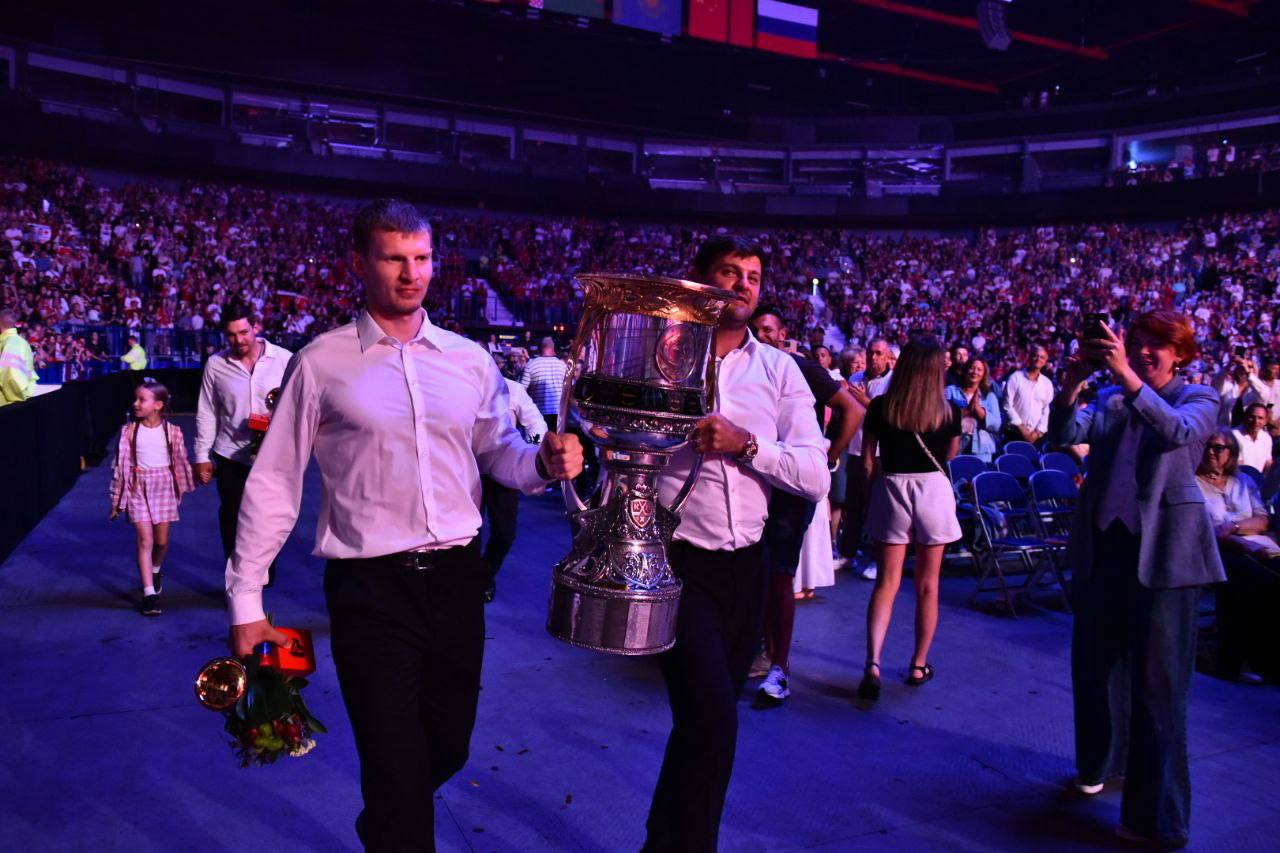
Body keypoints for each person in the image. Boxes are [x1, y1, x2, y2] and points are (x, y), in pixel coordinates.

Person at [224, 200, 584, 850]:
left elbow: (499, 452)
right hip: (369, 589)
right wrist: (248, 598)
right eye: (394, 257)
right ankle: (393, 819)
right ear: (359, 263)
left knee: (446, 746)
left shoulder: (470, 360)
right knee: (396, 771)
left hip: (455, 581)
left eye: (420, 258)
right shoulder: (322, 362)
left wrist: (543, 464)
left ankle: (387, 817)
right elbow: (276, 479)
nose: (410, 272)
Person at [645, 236, 828, 851]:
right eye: (731, 272)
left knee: (700, 725)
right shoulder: (660, 356)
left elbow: (815, 473)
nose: (745, 284)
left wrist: (747, 444)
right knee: (715, 722)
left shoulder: (780, 369)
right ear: (700, 278)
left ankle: (659, 842)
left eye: (753, 275)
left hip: (747, 566)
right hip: (675, 563)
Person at [1049, 309, 1224, 847]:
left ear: (1181, 355)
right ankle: (1098, 765)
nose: (1145, 351)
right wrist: (1075, 380)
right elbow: (1062, 434)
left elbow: (1176, 434)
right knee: (1094, 669)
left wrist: (1125, 374)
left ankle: (1159, 819)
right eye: (1138, 342)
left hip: (1166, 558)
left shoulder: (1200, 397)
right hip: (1107, 547)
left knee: (1159, 688)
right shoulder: (1110, 399)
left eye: (1157, 346)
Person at [748, 306, 861, 707]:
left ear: (782, 334)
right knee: (751, 569)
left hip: (790, 486)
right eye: (755, 329)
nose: (761, 335)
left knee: (778, 573)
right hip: (752, 478)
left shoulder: (802, 368)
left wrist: (830, 455)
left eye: (768, 329)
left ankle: (779, 666)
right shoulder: (741, 370)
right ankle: (758, 650)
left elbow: (853, 409)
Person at [857, 337, 962, 702]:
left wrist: (875, 496)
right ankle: (918, 665)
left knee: (886, 583)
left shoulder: (882, 406)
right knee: (928, 586)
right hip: (932, 490)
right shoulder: (948, 412)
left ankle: (873, 664)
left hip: (892, 487)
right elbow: (950, 454)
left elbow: (868, 459)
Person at [192, 305, 293, 585]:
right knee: (233, 519)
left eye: (244, 332)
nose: (239, 340)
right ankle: (238, 579)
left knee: (269, 520)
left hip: (273, 456)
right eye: (231, 335)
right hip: (230, 455)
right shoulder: (216, 365)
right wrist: (201, 455)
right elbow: (207, 411)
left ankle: (263, 573)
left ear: (256, 327)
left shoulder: (284, 360)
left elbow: (300, 405)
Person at [1194, 427, 1280, 685]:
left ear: (1230, 453)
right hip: (1212, 550)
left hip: (1249, 544)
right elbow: (1203, 527)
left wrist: (1234, 528)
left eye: (1219, 448)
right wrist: (1234, 540)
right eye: (1208, 446)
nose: (1211, 451)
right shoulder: (1192, 482)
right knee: (1250, 580)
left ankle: (1268, 661)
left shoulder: (1244, 482)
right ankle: (1232, 661)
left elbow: (1262, 519)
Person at [108, 379, 195, 616]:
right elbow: (120, 467)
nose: (135, 403)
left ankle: (156, 569)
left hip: (163, 487)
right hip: (138, 487)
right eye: (135, 399)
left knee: (161, 542)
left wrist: (193, 479)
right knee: (144, 540)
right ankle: (149, 594)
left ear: (158, 405)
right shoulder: (128, 432)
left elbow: (181, 462)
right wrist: (117, 500)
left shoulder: (173, 432)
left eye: (141, 399)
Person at [480, 374, 547, 603]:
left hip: (503, 469)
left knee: (505, 533)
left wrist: (534, 453)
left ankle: (485, 575)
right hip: (467, 470)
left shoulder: (513, 389)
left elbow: (536, 423)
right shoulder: (461, 383)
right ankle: (470, 580)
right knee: (467, 534)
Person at [839, 336, 894, 578]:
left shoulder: (894, 382)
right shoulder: (855, 379)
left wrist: (864, 402)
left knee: (877, 508)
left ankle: (875, 558)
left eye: (879, 353)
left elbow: (891, 418)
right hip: (855, 448)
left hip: (881, 453)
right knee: (853, 505)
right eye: (871, 352)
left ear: (888, 356)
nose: (873, 358)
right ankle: (848, 553)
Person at [945, 357, 1003, 463]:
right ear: (966, 370)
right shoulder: (951, 391)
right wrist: (966, 411)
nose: (975, 372)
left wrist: (979, 410)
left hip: (981, 448)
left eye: (979, 369)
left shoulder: (989, 396)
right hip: (955, 443)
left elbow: (997, 425)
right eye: (972, 368)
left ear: (984, 374)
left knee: (978, 477)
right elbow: (943, 418)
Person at [1002, 344, 1054, 445]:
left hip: (1036, 438)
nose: (1038, 359)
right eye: (1035, 355)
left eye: (1042, 357)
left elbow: (1046, 409)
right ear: (1029, 357)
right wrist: (1022, 428)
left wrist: (1038, 432)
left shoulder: (1047, 383)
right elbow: (1007, 405)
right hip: (1013, 434)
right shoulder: (1015, 378)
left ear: (1045, 362)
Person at [521, 336, 567, 431]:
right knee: (556, 444)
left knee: (538, 443)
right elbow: (568, 390)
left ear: (540, 347)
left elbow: (522, 391)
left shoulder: (531, 365)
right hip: (558, 414)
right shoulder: (563, 366)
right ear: (553, 347)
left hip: (537, 413)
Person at [0, 308, 36, 405]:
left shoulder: (12, 343)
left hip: (7, 406)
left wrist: (18, 403)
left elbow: (11, 374)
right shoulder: (20, 342)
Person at [1233, 402, 1273, 475]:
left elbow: (1268, 463)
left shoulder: (1266, 438)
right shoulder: (1235, 435)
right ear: (1245, 417)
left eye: (1260, 418)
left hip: (1258, 482)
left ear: (1266, 421)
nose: (1256, 421)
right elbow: (1238, 466)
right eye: (1252, 417)